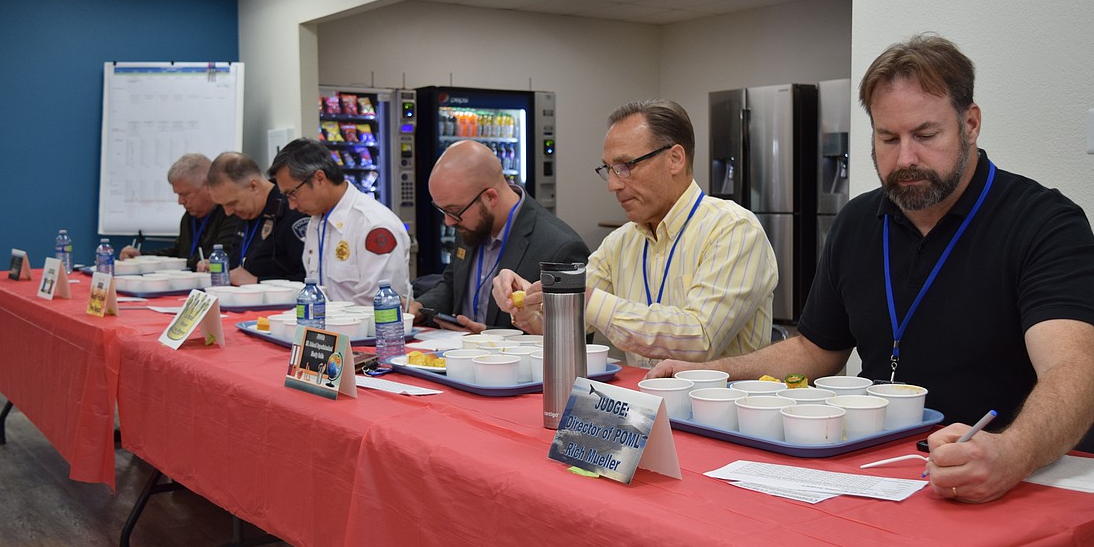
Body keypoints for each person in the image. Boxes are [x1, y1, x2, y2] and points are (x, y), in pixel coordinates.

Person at [648, 34, 1094, 504]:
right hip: (884, 471)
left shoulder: (1044, 223)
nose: (905, 158)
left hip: (1008, 479)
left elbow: (1075, 372)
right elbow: (814, 350)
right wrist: (711, 373)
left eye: (926, 136)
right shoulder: (857, 221)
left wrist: (1010, 452)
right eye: (888, 138)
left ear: (970, 124)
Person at [491, 99, 777, 366]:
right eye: (609, 169)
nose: (612, 185)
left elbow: (699, 338)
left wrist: (590, 299)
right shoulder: (621, 242)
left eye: (625, 167)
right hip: (640, 408)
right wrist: (528, 306)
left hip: (717, 412)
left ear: (675, 159)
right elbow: (569, 324)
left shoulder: (733, 230)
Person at [409, 140, 590, 332]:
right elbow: (452, 283)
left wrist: (489, 335)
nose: (449, 222)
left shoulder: (561, 248)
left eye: (454, 211)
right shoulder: (470, 221)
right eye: (442, 211)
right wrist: (418, 308)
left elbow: (572, 337)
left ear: (490, 197)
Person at [269, 139, 411, 304]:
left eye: (292, 193)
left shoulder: (373, 224)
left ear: (320, 178)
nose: (291, 205)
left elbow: (378, 305)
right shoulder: (315, 222)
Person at [119, 153, 242, 270]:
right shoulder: (189, 217)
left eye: (185, 194)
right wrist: (141, 257)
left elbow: (220, 257)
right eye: (178, 195)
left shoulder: (231, 213)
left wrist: (182, 262)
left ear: (208, 186)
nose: (180, 201)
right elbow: (178, 252)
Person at [205, 152, 308, 284]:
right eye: (223, 205)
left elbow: (308, 279)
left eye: (232, 203)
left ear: (254, 186)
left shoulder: (292, 211)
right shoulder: (246, 211)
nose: (228, 212)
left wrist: (257, 281)